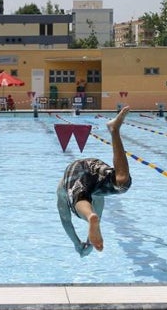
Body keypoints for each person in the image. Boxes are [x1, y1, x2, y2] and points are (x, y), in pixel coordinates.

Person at [56, 105, 132, 257]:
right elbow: (95, 224)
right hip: (92, 165)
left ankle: (114, 129)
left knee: (81, 201)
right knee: (122, 183)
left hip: (76, 169)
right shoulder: (97, 196)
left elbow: (66, 221)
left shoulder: (62, 192)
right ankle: (114, 130)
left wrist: (77, 244)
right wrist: (88, 242)